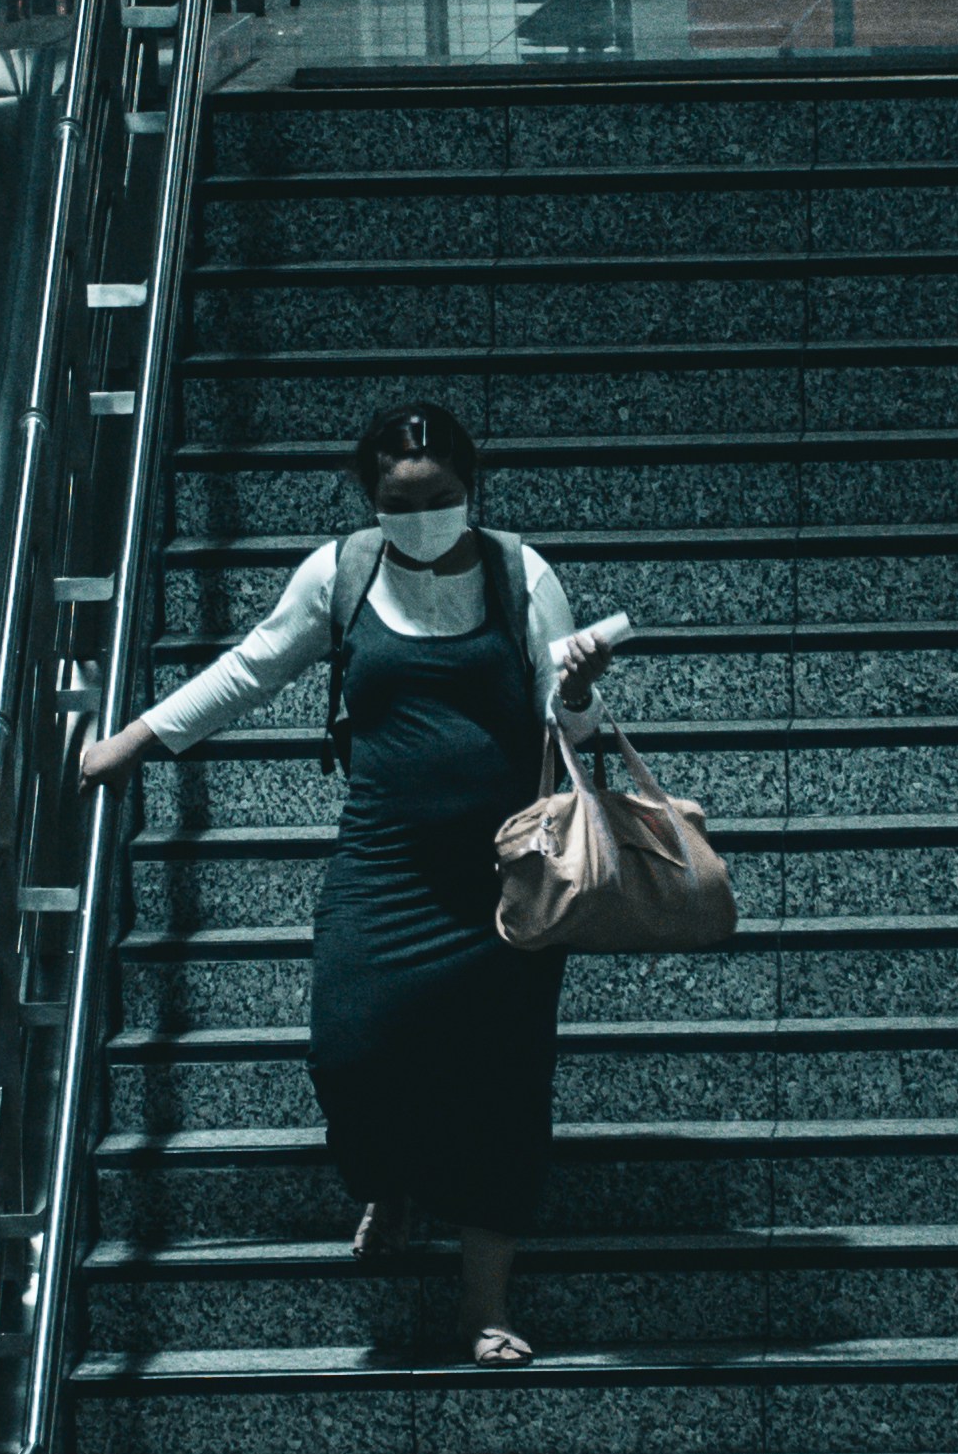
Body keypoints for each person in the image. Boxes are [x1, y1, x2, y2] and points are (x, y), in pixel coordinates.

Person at [79, 402, 617, 1365]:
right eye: (398, 501)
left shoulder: (516, 570)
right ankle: (394, 1180)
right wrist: (123, 749)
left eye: (441, 498)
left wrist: (575, 691)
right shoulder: (344, 571)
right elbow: (249, 670)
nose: (421, 516)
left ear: (471, 487)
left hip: (508, 876)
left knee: (500, 1084)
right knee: (350, 1054)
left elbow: (565, 724)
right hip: (385, 867)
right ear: (367, 499)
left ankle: (483, 1305)